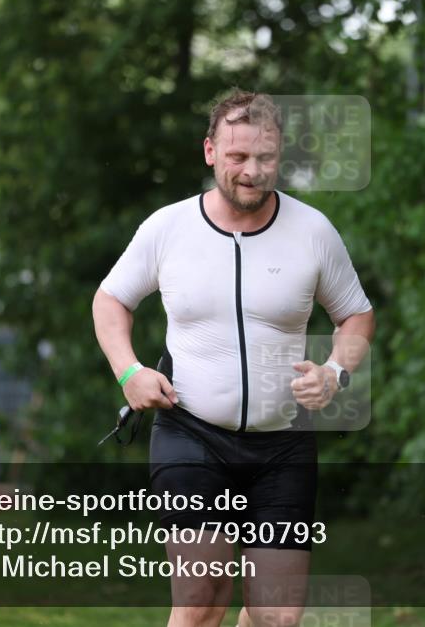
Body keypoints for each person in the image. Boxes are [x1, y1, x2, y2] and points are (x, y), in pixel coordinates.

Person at [93, 89, 375, 627]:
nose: (252, 170)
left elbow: (357, 316)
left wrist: (336, 373)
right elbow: (110, 300)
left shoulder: (313, 231)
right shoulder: (168, 229)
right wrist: (128, 370)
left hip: (283, 445)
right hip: (191, 433)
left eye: (265, 158)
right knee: (202, 602)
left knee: (277, 617)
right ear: (210, 152)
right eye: (237, 157)